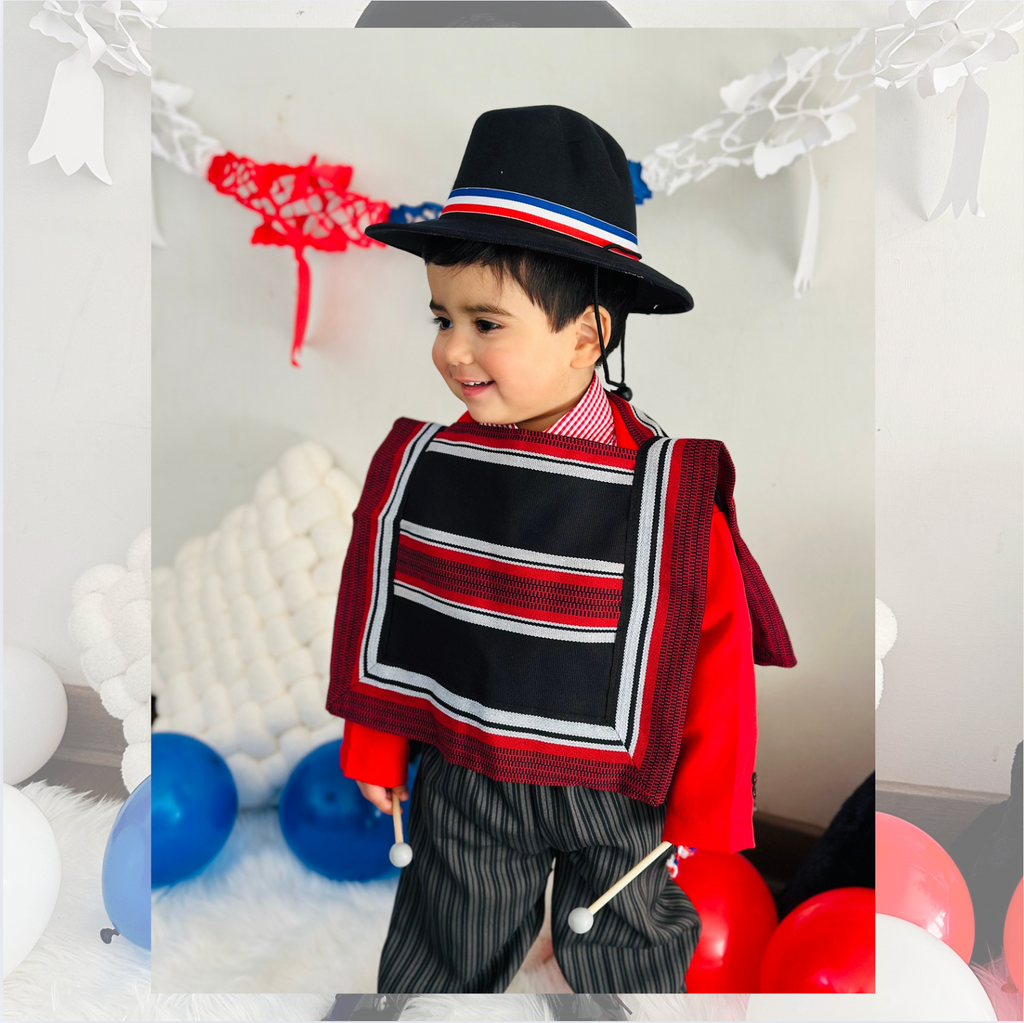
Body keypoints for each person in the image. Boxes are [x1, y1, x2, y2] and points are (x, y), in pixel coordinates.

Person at [325, 105, 795, 998]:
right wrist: (377, 744)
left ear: (587, 335)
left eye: (486, 322)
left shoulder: (666, 498)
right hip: (468, 768)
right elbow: (397, 612)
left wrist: (705, 804)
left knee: (627, 945)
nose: (452, 350)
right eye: (441, 317)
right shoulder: (430, 469)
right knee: (444, 931)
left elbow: (713, 652)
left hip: (615, 789)